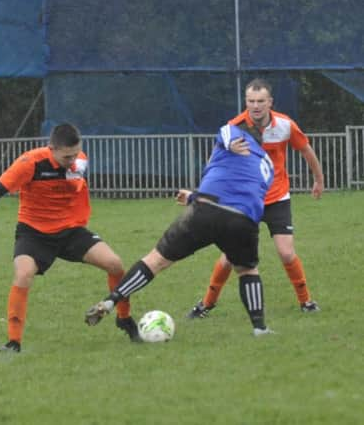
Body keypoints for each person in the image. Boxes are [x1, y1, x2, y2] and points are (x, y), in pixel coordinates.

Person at [85, 123, 275, 337]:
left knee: (156, 260)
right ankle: (260, 328)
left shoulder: (236, 135)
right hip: (243, 220)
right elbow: (238, 188)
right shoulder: (267, 164)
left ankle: (112, 300)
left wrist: (231, 142)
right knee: (247, 270)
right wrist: (193, 196)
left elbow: (226, 131)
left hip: (206, 209)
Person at [0, 123, 135, 353]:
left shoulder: (79, 160)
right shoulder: (30, 162)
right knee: (23, 274)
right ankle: (13, 342)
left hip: (70, 231)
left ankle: (124, 317)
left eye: (75, 154)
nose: (72, 160)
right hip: (34, 233)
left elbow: (75, 183)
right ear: (51, 148)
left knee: (115, 264)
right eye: (66, 156)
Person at [186, 78, 324, 319]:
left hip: (277, 197)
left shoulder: (284, 125)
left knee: (286, 253)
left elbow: (306, 150)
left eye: (261, 101)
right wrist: (207, 193)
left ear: (270, 102)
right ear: (246, 102)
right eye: (251, 101)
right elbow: (215, 161)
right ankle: (206, 305)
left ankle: (306, 302)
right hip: (245, 201)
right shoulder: (235, 127)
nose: (255, 106)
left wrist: (319, 180)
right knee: (230, 257)